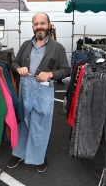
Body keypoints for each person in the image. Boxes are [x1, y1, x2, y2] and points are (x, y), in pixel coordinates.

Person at [7, 12, 70, 172]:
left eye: (42, 23)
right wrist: (18, 68)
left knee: (41, 125)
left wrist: (51, 74)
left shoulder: (57, 48)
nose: (39, 27)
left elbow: (66, 70)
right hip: (25, 87)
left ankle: (40, 157)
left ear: (49, 25)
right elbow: (13, 63)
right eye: (36, 24)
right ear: (32, 27)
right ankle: (19, 153)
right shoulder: (26, 45)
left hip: (44, 90)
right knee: (23, 122)